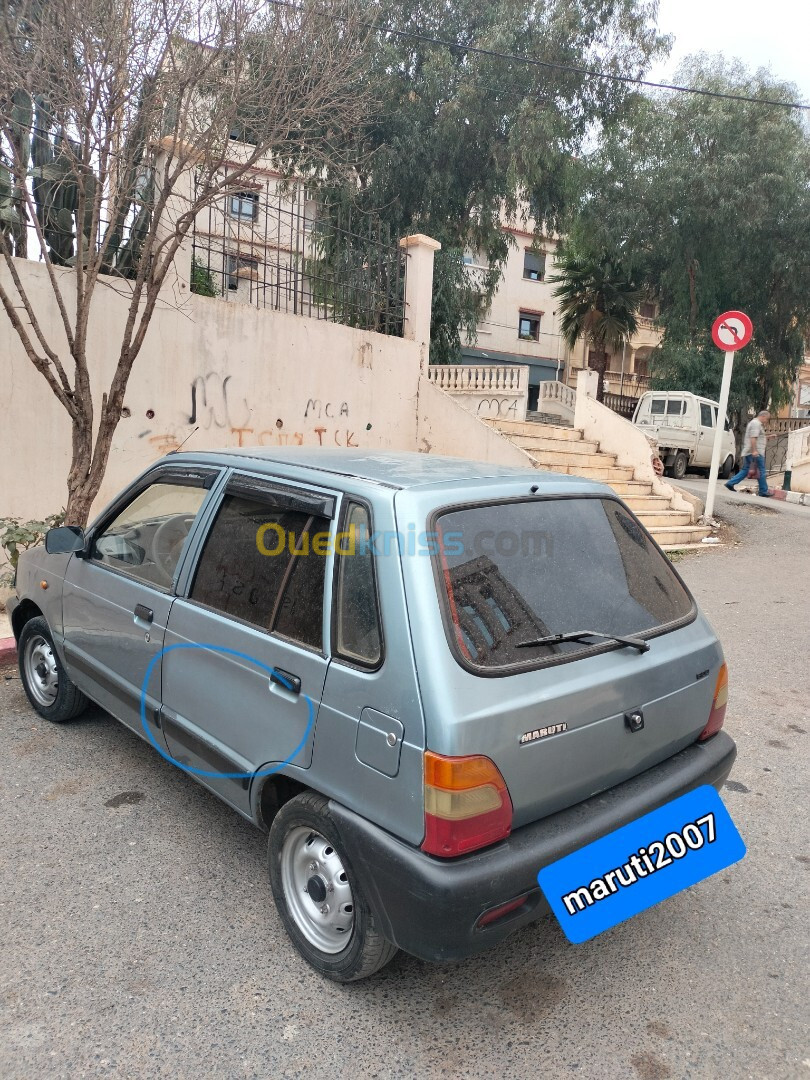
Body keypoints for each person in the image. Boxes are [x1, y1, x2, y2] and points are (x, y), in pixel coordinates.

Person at [725, 410, 771, 496]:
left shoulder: (755, 423)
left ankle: (731, 483)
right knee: (761, 471)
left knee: (746, 470)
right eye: (767, 419)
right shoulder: (756, 424)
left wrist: (768, 437)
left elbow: (757, 437)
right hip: (754, 452)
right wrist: (754, 450)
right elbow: (753, 437)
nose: (766, 421)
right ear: (763, 416)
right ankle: (763, 491)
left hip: (750, 451)